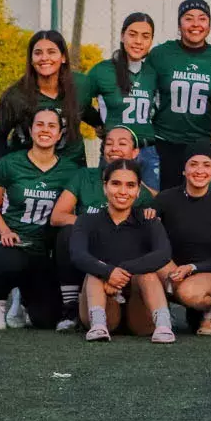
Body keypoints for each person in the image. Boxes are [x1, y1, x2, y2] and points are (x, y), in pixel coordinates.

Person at [0, 108, 80, 331]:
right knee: (13, 262)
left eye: (51, 126)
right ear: (31, 130)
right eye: (39, 124)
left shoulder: (71, 170)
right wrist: (4, 231)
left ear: (60, 134)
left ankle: (21, 297)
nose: (45, 130)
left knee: (46, 320)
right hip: (2, 240)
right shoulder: (11, 163)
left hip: (39, 251)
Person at [51, 125, 155, 330]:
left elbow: (162, 205)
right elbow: (57, 216)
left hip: (122, 255)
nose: (114, 148)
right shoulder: (85, 176)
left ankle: (141, 302)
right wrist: (92, 224)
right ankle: (70, 305)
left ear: (135, 153)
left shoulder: (140, 190)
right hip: (87, 248)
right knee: (67, 233)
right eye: (109, 143)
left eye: (122, 143)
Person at [67, 159, 174, 342]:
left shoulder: (148, 220)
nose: (123, 191)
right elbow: (78, 255)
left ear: (139, 190)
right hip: (104, 304)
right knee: (95, 272)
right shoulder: (87, 220)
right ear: (105, 186)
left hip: (140, 310)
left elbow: (164, 254)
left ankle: (164, 326)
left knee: (148, 274)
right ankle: (98, 326)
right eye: (116, 184)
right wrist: (108, 271)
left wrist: (121, 271)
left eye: (130, 185)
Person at [152, 145, 211, 336]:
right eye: (193, 164)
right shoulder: (165, 199)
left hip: (208, 274)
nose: (199, 171)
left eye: (206, 165)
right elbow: (151, 237)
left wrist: (191, 268)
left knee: (188, 293)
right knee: (148, 266)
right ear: (184, 169)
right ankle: (163, 315)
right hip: (170, 269)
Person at [149, 0, 211, 190]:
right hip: (165, 141)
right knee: (165, 199)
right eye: (188, 18)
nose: (196, 24)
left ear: (209, 25)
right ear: (179, 24)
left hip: (203, 142)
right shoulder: (161, 54)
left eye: (202, 18)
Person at [0, 30, 91, 168]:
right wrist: (5, 171)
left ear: (63, 57)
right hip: (29, 172)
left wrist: (105, 128)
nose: (44, 58)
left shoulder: (81, 85)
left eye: (51, 52)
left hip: (71, 168)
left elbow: (86, 111)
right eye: (38, 53)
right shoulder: (15, 96)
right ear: (31, 60)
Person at [86, 12, 160, 186]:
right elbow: (79, 103)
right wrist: (98, 123)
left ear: (151, 41)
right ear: (122, 35)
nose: (138, 41)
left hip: (148, 150)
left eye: (145, 36)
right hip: (115, 151)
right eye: (132, 34)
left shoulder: (154, 72)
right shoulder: (102, 71)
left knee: (149, 208)